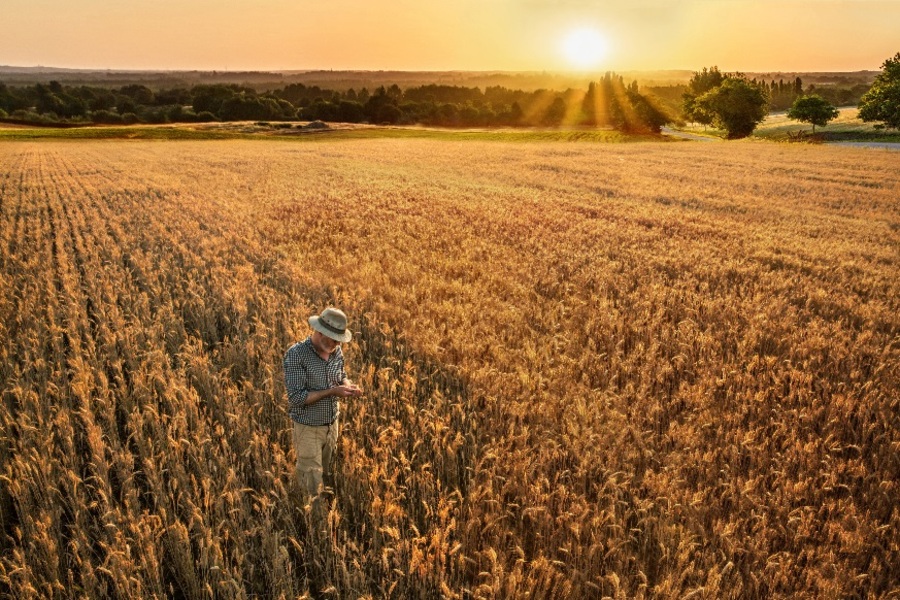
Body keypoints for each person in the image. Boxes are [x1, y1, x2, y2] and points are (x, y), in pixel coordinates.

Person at [283, 307, 363, 500]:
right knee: (312, 486)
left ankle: (323, 517)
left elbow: (341, 375)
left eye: (339, 340)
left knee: (323, 476)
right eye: (334, 340)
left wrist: (347, 386)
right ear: (320, 332)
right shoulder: (297, 355)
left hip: (331, 425)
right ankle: (317, 528)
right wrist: (332, 392)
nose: (337, 344)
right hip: (308, 429)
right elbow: (296, 398)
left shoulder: (336, 351)